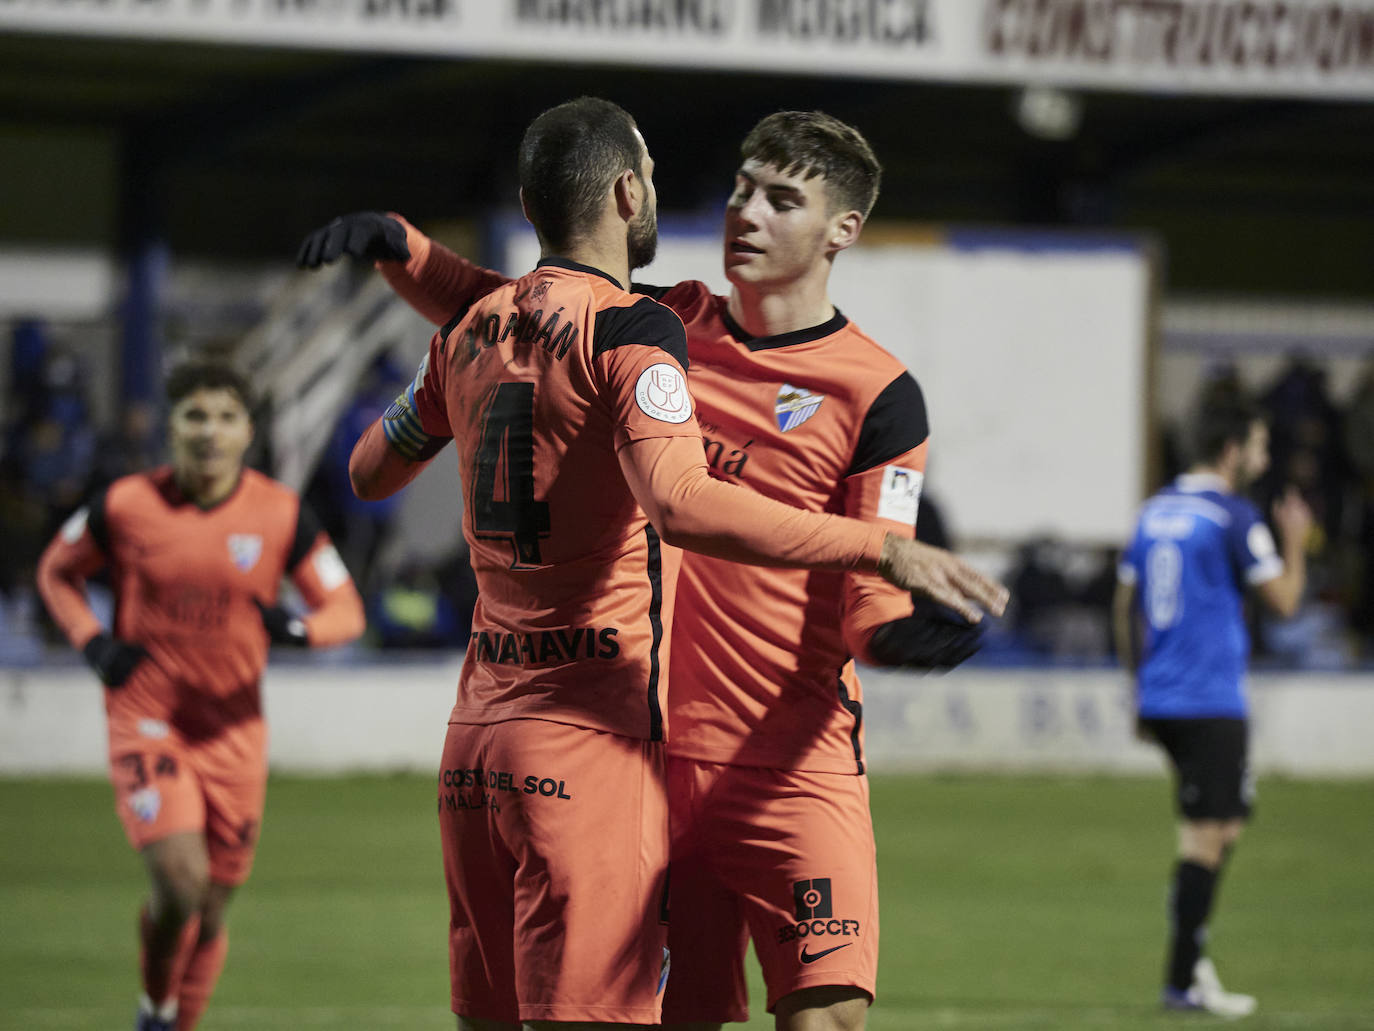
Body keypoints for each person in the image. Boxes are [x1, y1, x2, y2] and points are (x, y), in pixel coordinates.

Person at [302, 108, 1004, 1030]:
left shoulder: (878, 391)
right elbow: (516, 308)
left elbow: (873, 594)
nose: (746, 213)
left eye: (782, 200)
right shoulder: (664, 323)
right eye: (743, 189)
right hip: (654, 755)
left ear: (844, 230)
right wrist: (408, 251)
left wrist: (908, 636)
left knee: (829, 1018)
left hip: (794, 765)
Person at [35, 361, 367, 1031]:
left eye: (224, 417)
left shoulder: (279, 513)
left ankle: (169, 1022)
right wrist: (92, 641)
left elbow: (346, 609)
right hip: (148, 719)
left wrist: (298, 629)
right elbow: (56, 572)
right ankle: (155, 1006)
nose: (209, 432)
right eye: (194, 416)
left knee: (211, 907)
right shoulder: (127, 504)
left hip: (235, 735)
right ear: (171, 426)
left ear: (247, 430)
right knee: (180, 880)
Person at [1113, 394, 1311, 1017]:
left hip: (1166, 695)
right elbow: (1283, 601)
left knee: (1221, 826)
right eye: (1257, 444)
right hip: (1209, 697)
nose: (1264, 455)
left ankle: (1190, 964)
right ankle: (1183, 978)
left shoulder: (1153, 512)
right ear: (1231, 451)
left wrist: (1136, 687)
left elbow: (1124, 604)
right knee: (1207, 836)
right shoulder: (1234, 515)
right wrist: (1297, 541)